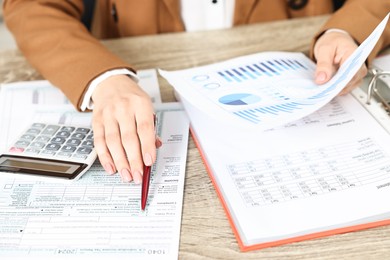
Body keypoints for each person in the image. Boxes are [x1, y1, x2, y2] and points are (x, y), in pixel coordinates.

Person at [3, 0, 390, 184]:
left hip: (295, 113)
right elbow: (31, 5)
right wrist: (104, 79)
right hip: (159, 98)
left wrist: (348, 30)